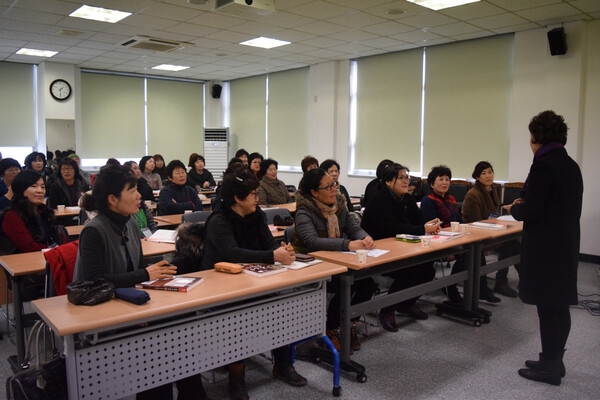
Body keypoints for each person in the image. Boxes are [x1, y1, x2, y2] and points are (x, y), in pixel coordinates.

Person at [72, 165, 210, 400]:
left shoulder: (129, 223)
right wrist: (147, 274)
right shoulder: (94, 230)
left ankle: (192, 393)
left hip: (129, 300)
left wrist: (158, 273)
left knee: (181, 328)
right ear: (113, 199)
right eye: (132, 190)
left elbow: (135, 271)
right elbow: (94, 281)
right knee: (158, 344)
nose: (139, 196)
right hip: (100, 310)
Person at [202, 166, 307, 400]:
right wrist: (271, 257)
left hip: (255, 279)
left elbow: (268, 243)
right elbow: (232, 253)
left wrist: (280, 250)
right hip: (223, 286)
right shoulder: (218, 220)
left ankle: (282, 365)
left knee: (280, 308)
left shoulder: (256, 214)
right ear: (238, 198)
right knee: (237, 320)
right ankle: (236, 377)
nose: (257, 199)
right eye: (253, 195)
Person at [504, 110, 583, 386]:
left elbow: (533, 209)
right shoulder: (571, 165)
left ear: (537, 137)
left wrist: (515, 209)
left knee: (548, 307)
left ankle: (550, 367)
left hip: (546, 248)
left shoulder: (543, 165)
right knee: (559, 305)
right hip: (566, 244)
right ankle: (554, 360)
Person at [293, 168, 375, 351]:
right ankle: (332, 327)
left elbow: (353, 227)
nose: (334, 190)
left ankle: (348, 324)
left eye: (334, 184)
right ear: (314, 192)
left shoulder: (339, 204)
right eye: (328, 187)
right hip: (309, 262)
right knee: (342, 284)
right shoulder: (304, 210)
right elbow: (312, 242)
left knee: (367, 283)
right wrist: (347, 244)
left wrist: (364, 237)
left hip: (337, 259)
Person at [360, 163, 440, 331]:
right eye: (401, 178)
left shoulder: (407, 198)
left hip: (402, 247)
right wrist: (422, 229)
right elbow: (392, 229)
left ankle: (406, 303)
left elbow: (418, 221)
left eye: (407, 178)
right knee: (408, 271)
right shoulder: (379, 200)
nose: (406, 182)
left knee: (428, 269)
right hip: (379, 251)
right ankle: (387, 310)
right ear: (389, 182)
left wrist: (429, 226)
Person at [462, 161, 518, 299]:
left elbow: (493, 214)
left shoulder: (492, 190)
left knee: (515, 242)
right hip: (476, 235)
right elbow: (475, 222)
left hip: (491, 231)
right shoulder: (473, 194)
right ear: (477, 177)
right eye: (483, 173)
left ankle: (506, 281)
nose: (488, 176)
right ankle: (497, 282)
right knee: (510, 243)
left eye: (490, 172)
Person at [420, 165, 464, 304]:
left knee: (475, 251)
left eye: (447, 179)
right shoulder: (428, 201)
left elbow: (459, 220)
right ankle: (451, 287)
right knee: (466, 254)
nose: (445, 182)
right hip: (438, 242)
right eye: (441, 179)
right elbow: (432, 228)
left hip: (454, 238)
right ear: (432, 183)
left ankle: (479, 289)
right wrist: (447, 247)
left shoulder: (450, 199)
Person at [0, 170, 67, 253]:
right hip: (24, 262)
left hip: (49, 257)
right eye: (34, 186)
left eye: (43, 187)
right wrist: (59, 250)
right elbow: (30, 247)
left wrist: (65, 249)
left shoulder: (43, 211)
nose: (40, 191)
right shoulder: (12, 216)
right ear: (21, 189)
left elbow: (60, 237)